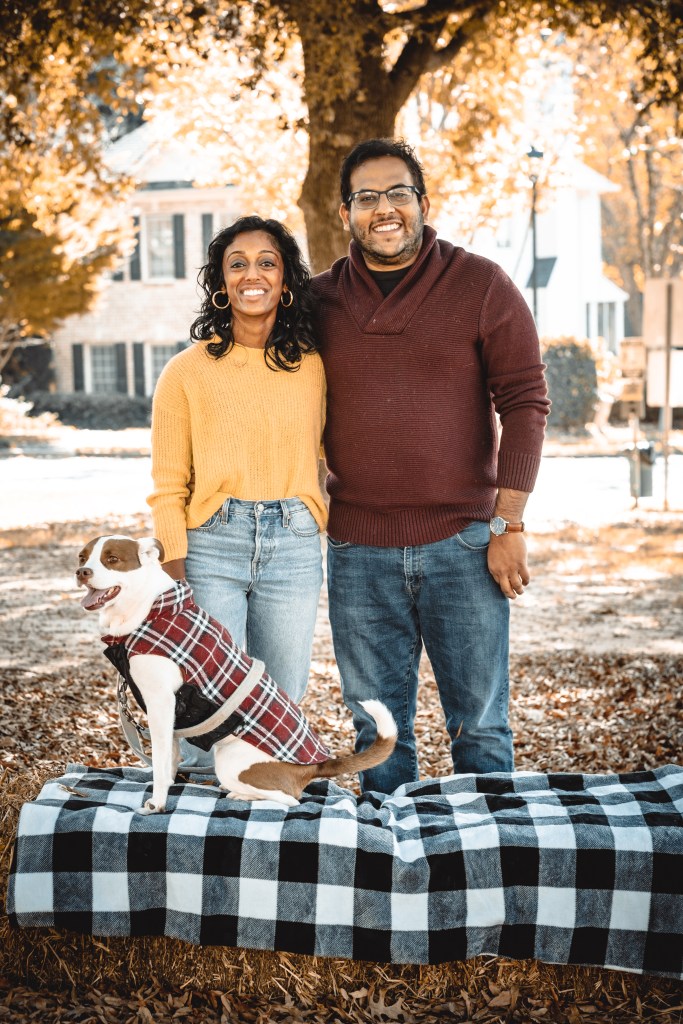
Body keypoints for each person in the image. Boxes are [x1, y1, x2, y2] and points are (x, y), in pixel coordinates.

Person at [311, 138, 550, 794]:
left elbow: (525, 402)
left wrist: (508, 524)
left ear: (422, 202)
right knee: (378, 733)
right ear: (345, 213)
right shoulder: (316, 302)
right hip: (357, 550)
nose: (384, 208)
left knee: (481, 727)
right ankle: (388, 856)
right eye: (366, 197)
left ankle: (493, 849)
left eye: (398, 193)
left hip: (465, 545)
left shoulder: (481, 285)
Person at [148, 215, 326, 706]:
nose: (253, 274)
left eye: (267, 263)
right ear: (221, 282)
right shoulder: (184, 373)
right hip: (210, 546)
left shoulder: (315, 367)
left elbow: (339, 455)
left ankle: (271, 763)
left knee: (282, 703)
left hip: (294, 544)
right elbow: (167, 486)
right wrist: (174, 577)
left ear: (285, 281)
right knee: (207, 701)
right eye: (237, 264)